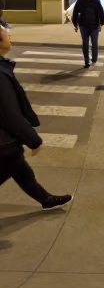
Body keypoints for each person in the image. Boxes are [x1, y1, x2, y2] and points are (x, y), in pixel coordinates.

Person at [0, 21, 73, 210]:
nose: (11, 38)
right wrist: (34, 140)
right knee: (14, 160)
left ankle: (45, 199)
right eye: (8, 36)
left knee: (21, 170)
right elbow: (9, 115)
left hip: (6, 141)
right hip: (4, 142)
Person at [70, 0, 104, 69]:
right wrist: (75, 24)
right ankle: (86, 61)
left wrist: (101, 23)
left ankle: (94, 58)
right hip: (83, 26)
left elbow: (101, 12)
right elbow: (75, 13)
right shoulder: (80, 1)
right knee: (85, 44)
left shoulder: (96, 0)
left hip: (94, 26)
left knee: (94, 44)